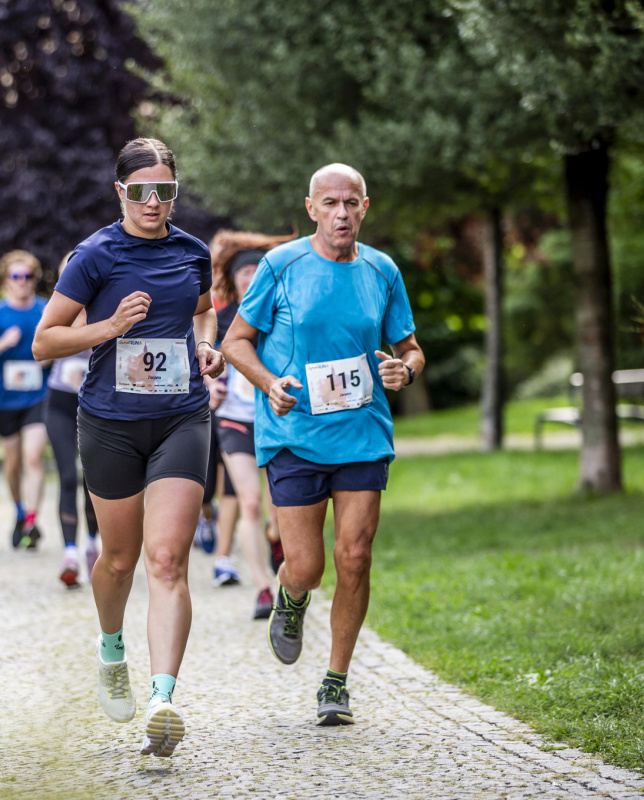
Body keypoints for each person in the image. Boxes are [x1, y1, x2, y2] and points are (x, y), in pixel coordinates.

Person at [32, 137, 224, 758]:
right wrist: (110, 328)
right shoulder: (94, 256)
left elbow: (202, 311)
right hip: (110, 421)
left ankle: (164, 699)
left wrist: (205, 345)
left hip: (182, 417)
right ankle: (111, 646)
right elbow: (45, 342)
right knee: (119, 558)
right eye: (141, 191)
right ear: (121, 192)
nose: (153, 202)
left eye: (165, 191)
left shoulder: (193, 252)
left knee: (167, 561)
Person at [222, 164, 424, 727]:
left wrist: (404, 373)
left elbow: (410, 348)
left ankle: (335, 681)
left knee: (355, 557)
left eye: (351, 203)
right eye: (330, 203)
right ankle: (291, 596)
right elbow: (236, 341)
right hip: (294, 435)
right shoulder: (281, 265)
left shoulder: (382, 271)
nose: (342, 213)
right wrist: (269, 384)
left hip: (362, 433)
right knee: (307, 567)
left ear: (365, 207)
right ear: (311, 208)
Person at [208, 230, 294, 620]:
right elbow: (205, 359)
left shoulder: (284, 313)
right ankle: (263, 588)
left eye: (256, 269)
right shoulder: (222, 318)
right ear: (234, 278)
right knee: (251, 500)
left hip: (277, 418)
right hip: (235, 420)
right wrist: (210, 383)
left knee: (279, 507)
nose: (249, 276)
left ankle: (277, 541)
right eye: (242, 271)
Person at [0, 250, 51, 550]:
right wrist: (3, 343)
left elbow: (62, 343)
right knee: (14, 462)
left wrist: (48, 357)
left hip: (38, 397)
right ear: (6, 280)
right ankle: (18, 509)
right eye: (16, 276)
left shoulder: (45, 310)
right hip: (5, 400)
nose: (23, 282)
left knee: (33, 456)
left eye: (28, 276)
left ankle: (32, 520)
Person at [44, 255, 101, 588]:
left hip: (95, 406)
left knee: (92, 480)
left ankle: (93, 543)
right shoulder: (57, 309)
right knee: (67, 475)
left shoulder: (106, 305)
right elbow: (43, 351)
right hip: (61, 403)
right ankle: (69, 552)